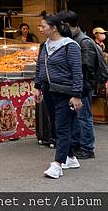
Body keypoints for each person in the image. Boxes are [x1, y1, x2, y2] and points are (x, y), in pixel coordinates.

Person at [34, 13, 83, 179]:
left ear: (54, 28)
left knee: (62, 127)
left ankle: (57, 164)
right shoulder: (44, 46)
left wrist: (76, 95)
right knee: (55, 126)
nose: (40, 29)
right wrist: (38, 86)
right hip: (48, 90)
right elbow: (39, 66)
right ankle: (71, 158)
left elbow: (77, 72)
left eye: (43, 26)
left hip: (65, 92)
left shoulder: (71, 46)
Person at [61, 11, 101, 159]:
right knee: (79, 117)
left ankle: (88, 148)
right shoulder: (75, 39)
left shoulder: (83, 41)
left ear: (66, 24)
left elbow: (86, 68)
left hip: (84, 86)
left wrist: (80, 88)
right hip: (78, 85)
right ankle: (79, 145)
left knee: (84, 117)